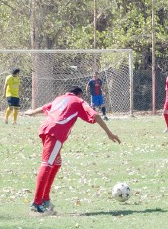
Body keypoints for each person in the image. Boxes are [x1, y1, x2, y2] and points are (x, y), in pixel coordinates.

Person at [24, 86, 121, 214]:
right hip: (56, 131)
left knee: (56, 163)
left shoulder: (60, 98)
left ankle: (45, 199)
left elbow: (44, 107)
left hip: (45, 128)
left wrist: (32, 112)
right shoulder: (78, 101)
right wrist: (109, 133)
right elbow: (95, 115)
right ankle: (37, 203)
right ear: (79, 95)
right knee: (47, 163)